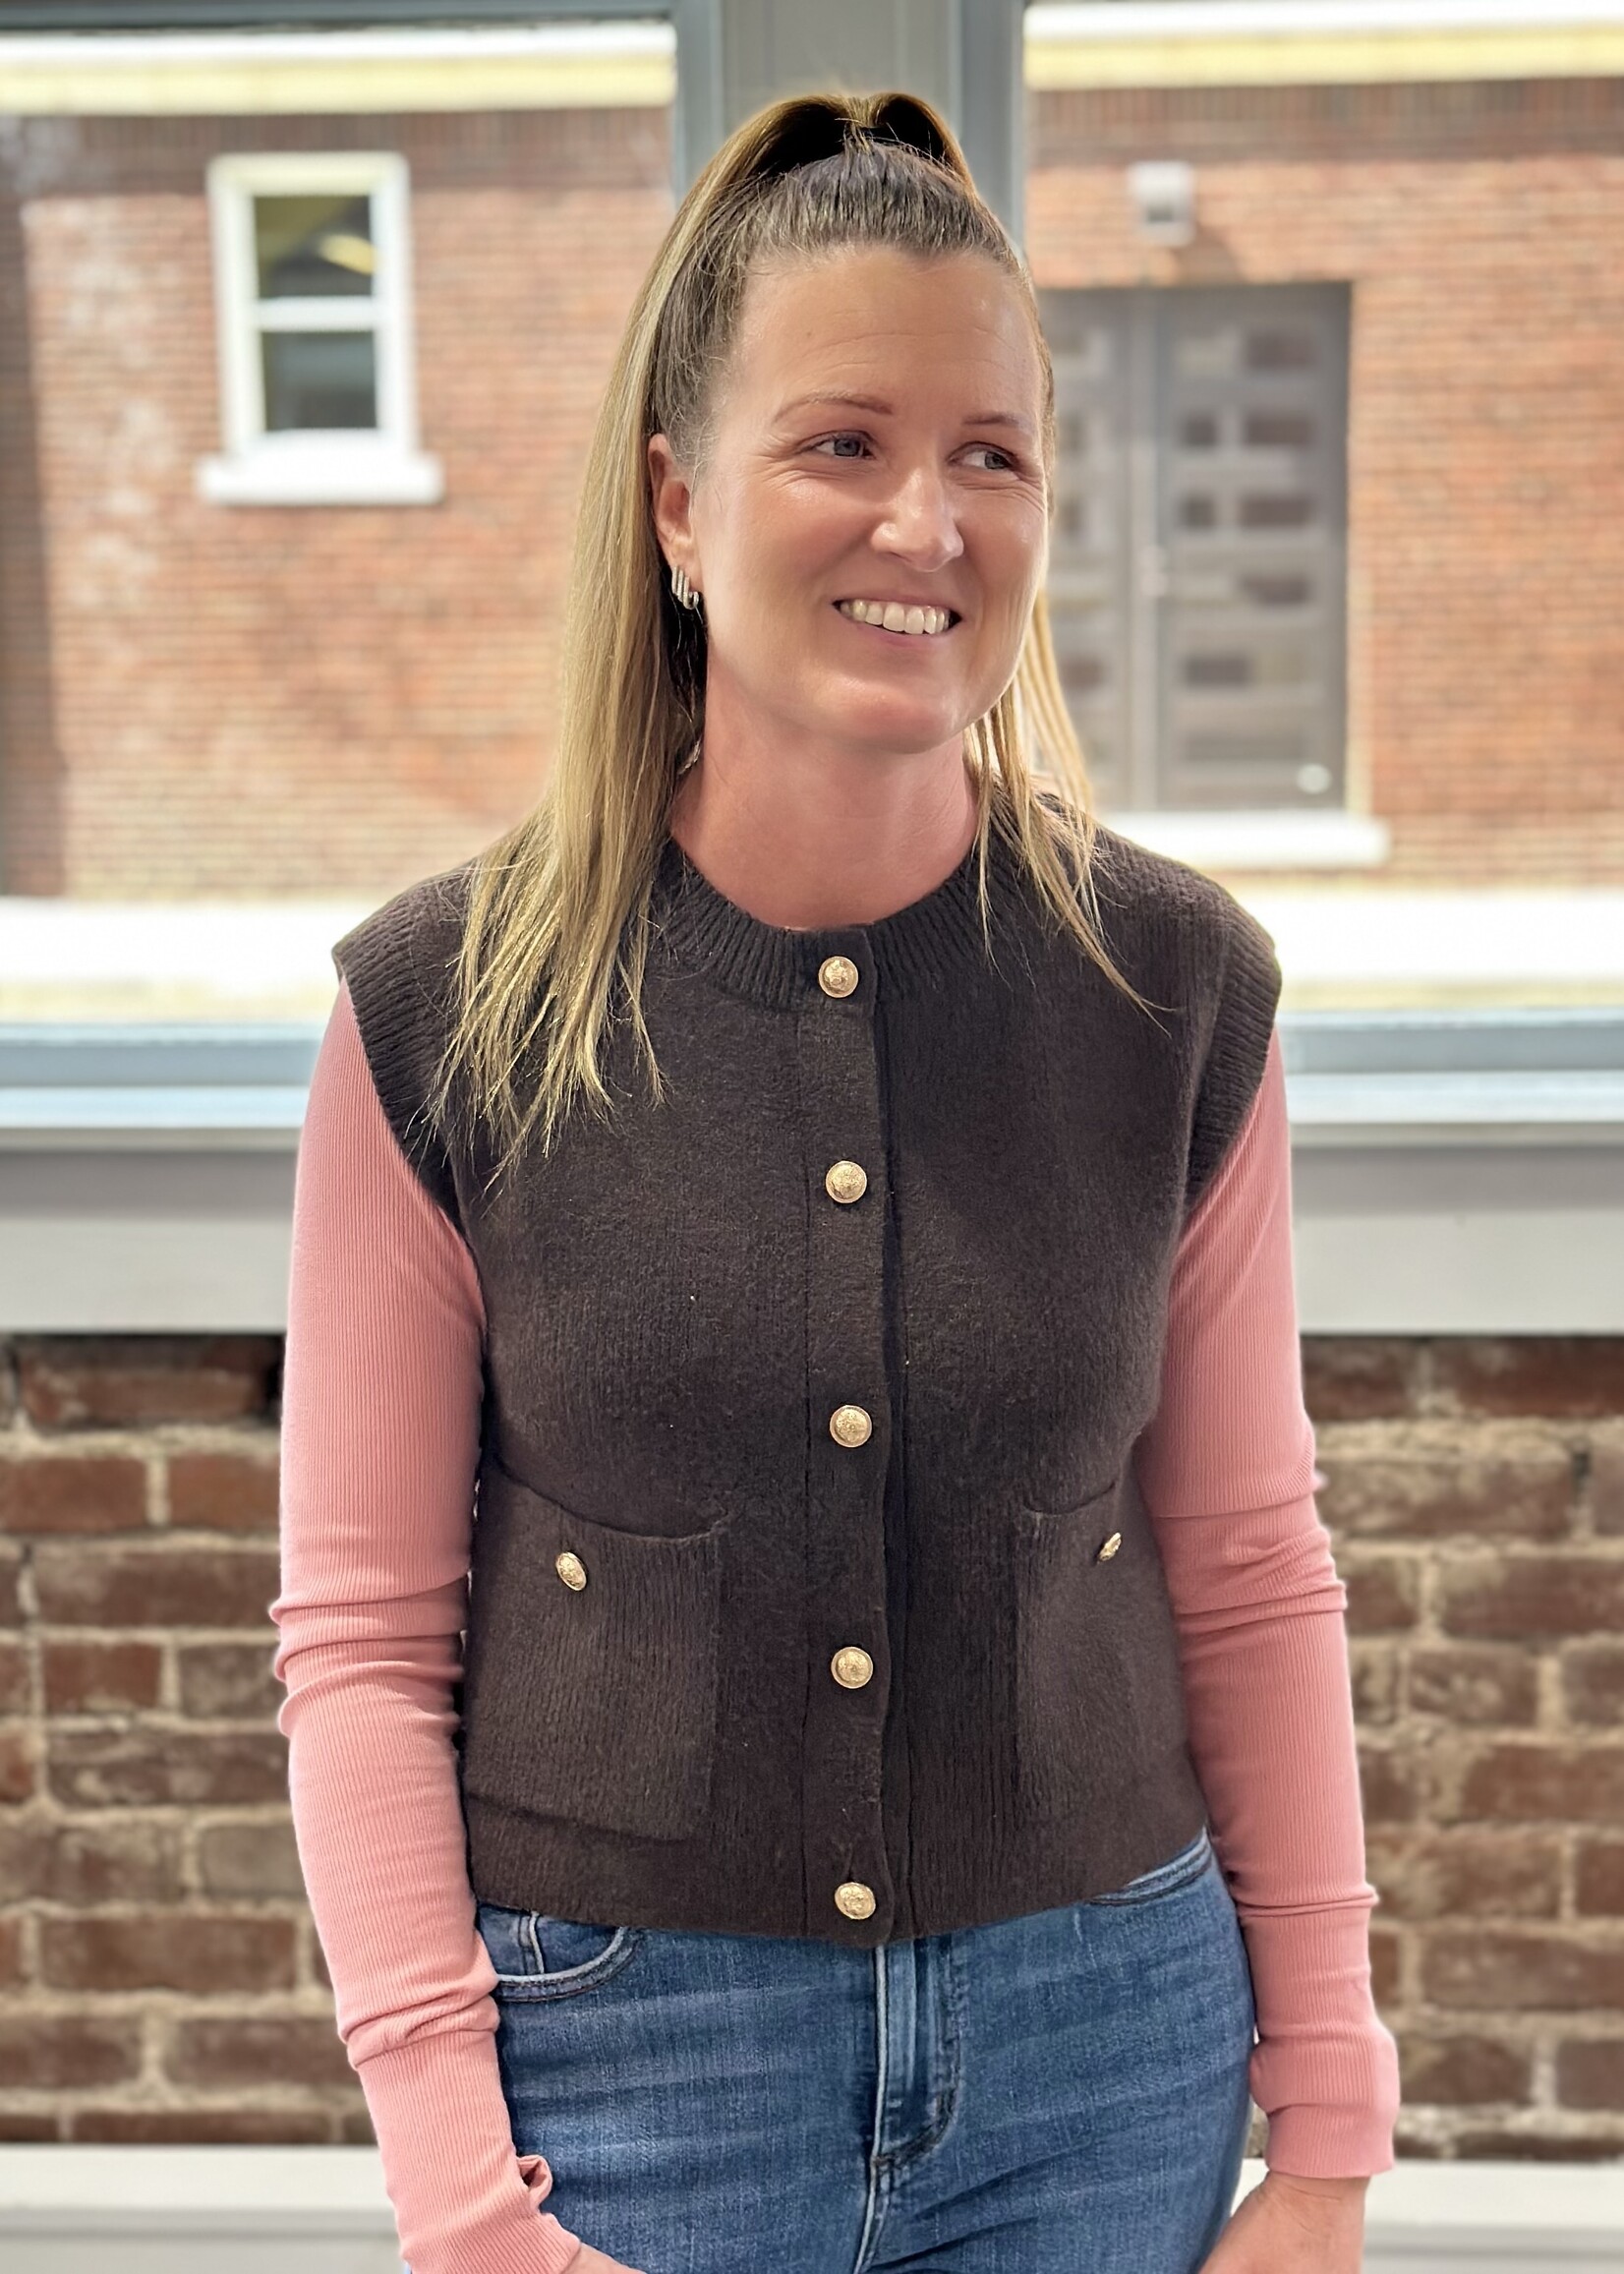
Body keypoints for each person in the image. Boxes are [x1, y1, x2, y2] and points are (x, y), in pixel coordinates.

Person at [272, 90, 1399, 2274]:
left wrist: (1329, 2129)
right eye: (842, 442)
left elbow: (1252, 1566)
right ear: (680, 508)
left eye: (991, 452)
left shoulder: (1176, 988)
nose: (928, 518)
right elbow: (359, 1643)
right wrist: (453, 2192)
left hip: (1112, 2051)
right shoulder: (438, 1012)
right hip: (621, 2061)